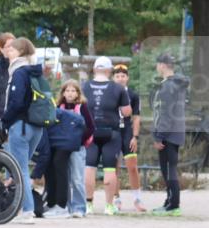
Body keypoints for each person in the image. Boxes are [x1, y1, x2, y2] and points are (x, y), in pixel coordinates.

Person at [0, 37, 45, 224]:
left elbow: (17, 102)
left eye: (11, 50)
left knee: (20, 169)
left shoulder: (19, 72)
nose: (8, 52)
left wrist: (5, 121)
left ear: (20, 52)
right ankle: (23, 207)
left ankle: (27, 210)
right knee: (23, 167)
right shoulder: (36, 72)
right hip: (37, 127)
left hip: (21, 126)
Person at [83, 56, 132, 215]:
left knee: (89, 168)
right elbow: (126, 112)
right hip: (111, 132)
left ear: (95, 69)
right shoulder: (118, 88)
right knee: (110, 169)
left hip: (90, 132)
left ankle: (88, 204)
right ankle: (109, 206)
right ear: (109, 70)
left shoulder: (85, 86)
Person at [46, 80, 95, 218]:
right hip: (62, 148)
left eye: (73, 91)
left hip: (77, 148)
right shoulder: (58, 107)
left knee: (77, 178)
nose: (70, 93)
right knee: (64, 178)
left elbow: (91, 127)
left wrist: (79, 139)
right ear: (63, 93)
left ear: (78, 93)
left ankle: (79, 207)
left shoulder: (82, 107)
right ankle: (65, 206)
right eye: (67, 90)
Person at [151, 53, 188, 216]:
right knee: (169, 168)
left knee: (168, 170)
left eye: (158, 64)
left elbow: (166, 113)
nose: (157, 67)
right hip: (176, 132)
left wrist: (160, 136)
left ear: (163, 65)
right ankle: (169, 201)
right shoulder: (177, 83)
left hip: (169, 134)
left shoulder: (167, 86)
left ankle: (173, 205)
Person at [111, 64, 146, 212]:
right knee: (114, 167)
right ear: (113, 78)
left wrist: (135, 137)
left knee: (132, 166)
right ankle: (116, 198)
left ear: (127, 78)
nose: (120, 79)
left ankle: (137, 199)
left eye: (123, 76)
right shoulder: (109, 93)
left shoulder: (133, 95)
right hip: (112, 131)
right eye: (117, 76)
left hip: (127, 131)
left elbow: (136, 117)